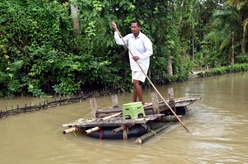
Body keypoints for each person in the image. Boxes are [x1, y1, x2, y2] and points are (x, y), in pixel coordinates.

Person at [111, 20, 153, 105]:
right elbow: (119, 41)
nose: (133, 29)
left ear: (139, 28)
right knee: (135, 84)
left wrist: (139, 57)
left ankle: (142, 103)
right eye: (132, 27)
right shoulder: (130, 37)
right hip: (134, 65)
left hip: (142, 64)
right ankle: (134, 102)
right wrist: (115, 30)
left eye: (135, 27)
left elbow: (150, 52)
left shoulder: (144, 38)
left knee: (135, 82)